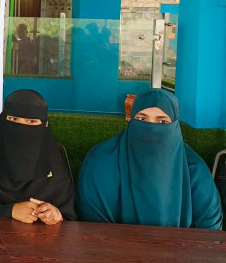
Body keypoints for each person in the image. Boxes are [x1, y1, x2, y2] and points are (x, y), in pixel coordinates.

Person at [77, 89, 222, 229]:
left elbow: (210, 226)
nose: (151, 128)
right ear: (131, 120)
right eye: (142, 119)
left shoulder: (194, 168)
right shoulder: (102, 160)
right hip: (111, 245)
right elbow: (92, 223)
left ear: (175, 125)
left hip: (181, 245)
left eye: (162, 122)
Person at [0, 90, 75, 224]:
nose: (21, 127)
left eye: (31, 121)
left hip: (41, 237)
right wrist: (10, 211)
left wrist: (55, 215)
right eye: (13, 119)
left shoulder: (54, 159)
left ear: (45, 124)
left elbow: (68, 217)